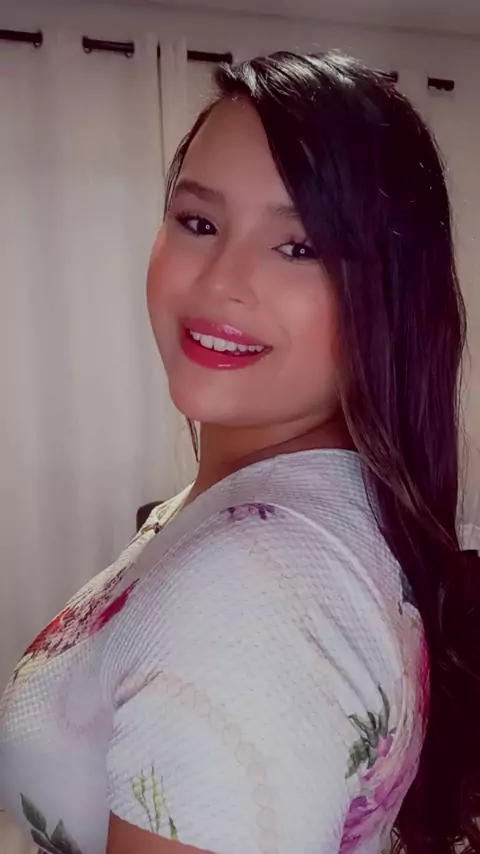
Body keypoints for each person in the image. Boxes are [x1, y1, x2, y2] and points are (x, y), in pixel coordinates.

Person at [0, 50, 478, 854]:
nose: (221, 280)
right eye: (199, 222)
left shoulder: (251, 587)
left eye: (300, 247)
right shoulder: (267, 504)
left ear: (391, 295)